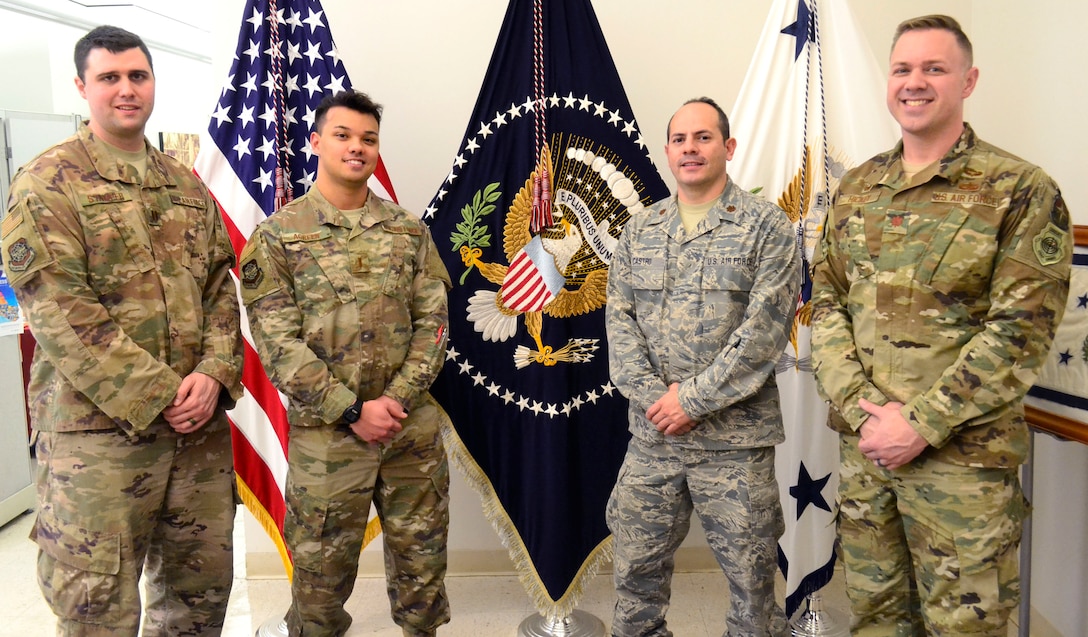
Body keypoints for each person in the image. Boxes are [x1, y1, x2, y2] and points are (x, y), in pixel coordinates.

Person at [810, 14, 1072, 636]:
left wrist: (919, 424)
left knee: (964, 628)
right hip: (868, 449)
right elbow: (825, 300)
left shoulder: (1020, 189)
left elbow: (1020, 332)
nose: (915, 82)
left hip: (961, 466)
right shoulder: (856, 188)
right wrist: (864, 407)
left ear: (968, 80)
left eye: (934, 68)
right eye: (903, 69)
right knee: (876, 618)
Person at [0, 25, 243, 636]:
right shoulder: (46, 183)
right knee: (96, 608)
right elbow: (62, 314)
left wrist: (213, 375)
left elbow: (220, 291)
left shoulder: (185, 186)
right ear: (83, 87)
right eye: (109, 77)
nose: (126, 89)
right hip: (97, 442)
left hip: (197, 438)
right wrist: (165, 393)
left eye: (138, 75)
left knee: (198, 597)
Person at [239, 90, 452, 637]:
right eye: (343, 135)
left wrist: (395, 401)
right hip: (329, 437)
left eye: (368, 139)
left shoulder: (409, 231)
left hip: (409, 433)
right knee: (319, 582)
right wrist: (353, 409)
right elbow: (277, 343)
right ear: (316, 143)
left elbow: (434, 326)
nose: (357, 147)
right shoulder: (278, 236)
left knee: (422, 572)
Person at [605, 97, 800, 637]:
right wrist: (656, 401)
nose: (690, 149)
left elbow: (764, 334)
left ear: (728, 147)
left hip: (734, 444)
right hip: (652, 438)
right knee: (634, 575)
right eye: (679, 140)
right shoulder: (639, 230)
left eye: (703, 137)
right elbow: (619, 326)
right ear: (667, 151)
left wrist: (689, 401)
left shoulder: (768, 227)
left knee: (751, 583)